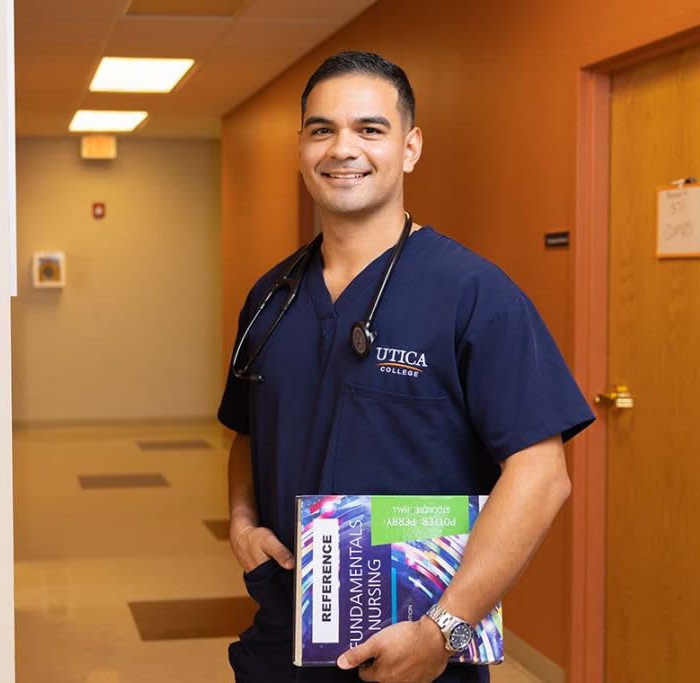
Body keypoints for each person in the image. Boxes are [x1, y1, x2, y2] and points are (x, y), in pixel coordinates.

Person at [217, 51, 595, 683]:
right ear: (301, 148)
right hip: (280, 643)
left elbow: (542, 474)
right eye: (321, 130)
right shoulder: (271, 297)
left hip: (418, 649)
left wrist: (444, 631)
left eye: (370, 129)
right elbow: (247, 429)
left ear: (410, 147)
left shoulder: (473, 294)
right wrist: (241, 521)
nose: (343, 149)